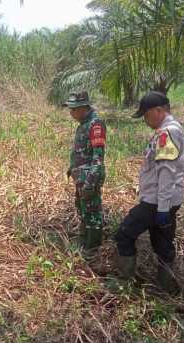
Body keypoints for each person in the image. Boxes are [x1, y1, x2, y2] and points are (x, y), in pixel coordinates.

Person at [115, 91, 184, 292]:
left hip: (157, 201)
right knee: (162, 242)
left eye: (146, 116)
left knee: (124, 234)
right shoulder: (171, 130)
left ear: (159, 110)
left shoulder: (167, 132)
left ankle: (124, 283)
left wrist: (162, 208)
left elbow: (166, 171)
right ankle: (166, 287)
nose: (146, 121)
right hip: (165, 200)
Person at [65, 91, 107, 255]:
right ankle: (84, 242)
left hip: (89, 177)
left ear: (83, 108)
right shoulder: (83, 123)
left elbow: (98, 157)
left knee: (92, 213)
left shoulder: (95, 124)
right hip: (81, 178)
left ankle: (92, 249)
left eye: (74, 109)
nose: (71, 113)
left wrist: (91, 180)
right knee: (83, 210)